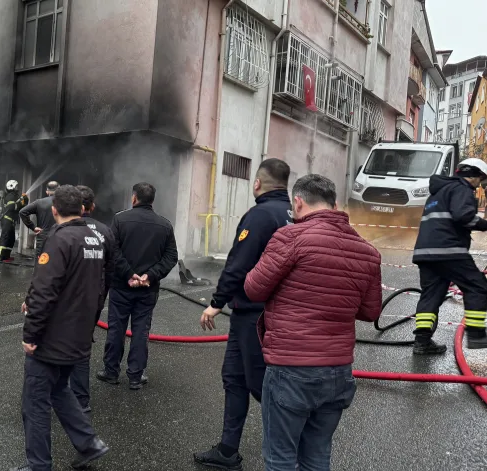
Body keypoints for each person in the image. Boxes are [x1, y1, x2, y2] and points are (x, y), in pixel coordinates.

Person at [243, 174, 381, 471]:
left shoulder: (290, 238)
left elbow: (254, 289)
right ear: (335, 204)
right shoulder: (368, 252)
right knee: (317, 456)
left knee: (280, 457)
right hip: (338, 372)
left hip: (291, 368)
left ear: (298, 202)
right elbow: (371, 311)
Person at [194, 158, 292, 470]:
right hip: (264, 313)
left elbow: (239, 263)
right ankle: (227, 450)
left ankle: (293, 451)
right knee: (235, 378)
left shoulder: (261, 215)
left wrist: (216, 301)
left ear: (258, 184)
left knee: (261, 384)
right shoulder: (293, 214)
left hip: (254, 314)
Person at [13, 185, 110, 471]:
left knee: (35, 402)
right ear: (82, 209)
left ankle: (39, 465)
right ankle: (89, 443)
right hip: (78, 333)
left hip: (53, 337)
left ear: (54, 210)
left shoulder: (59, 239)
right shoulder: (93, 238)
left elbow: (45, 290)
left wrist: (31, 335)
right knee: (59, 390)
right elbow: (95, 285)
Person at [98, 182, 177, 390]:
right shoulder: (165, 225)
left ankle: (111, 372)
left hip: (121, 286)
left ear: (134, 198)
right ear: (152, 200)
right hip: (148, 289)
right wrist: (149, 276)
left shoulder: (120, 219)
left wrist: (129, 273)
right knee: (141, 330)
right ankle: (135, 375)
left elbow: (112, 251)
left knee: (116, 328)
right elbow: (171, 257)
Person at [411, 158, 487, 353]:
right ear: (474, 175)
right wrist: (484, 225)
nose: (481, 183)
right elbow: (462, 216)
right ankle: (477, 336)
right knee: (477, 286)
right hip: (448, 250)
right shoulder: (462, 189)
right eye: (481, 178)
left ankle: (422, 342)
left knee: (431, 294)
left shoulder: (438, 192)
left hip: (425, 252)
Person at [68, 185, 115, 414]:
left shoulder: (63, 230)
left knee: (58, 344)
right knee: (82, 346)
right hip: (94, 299)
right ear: (92, 206)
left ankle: (60, 396)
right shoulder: (105, 231)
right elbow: (112, 268)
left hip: (67, 301)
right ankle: (80, 401)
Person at [20, 181, 58, 259]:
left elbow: (22, 212)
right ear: (59, 190)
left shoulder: (39, 202)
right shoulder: (65, 203)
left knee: (40, 265)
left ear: (47, 191)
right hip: (59, 238)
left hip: (43, 239)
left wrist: (33, 227)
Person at [0, 180, 26, 262]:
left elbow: (20, 207)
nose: (17, 187)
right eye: (16, 186)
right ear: (12, 187)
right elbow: (11, 207)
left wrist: (24, 200)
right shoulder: (10, 196)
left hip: (11, 221)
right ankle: (0, 257)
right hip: (7, 220)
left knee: (11, 239)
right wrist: (21, 203)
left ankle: (6, 257)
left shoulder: (14, 196)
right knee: (5, 238)